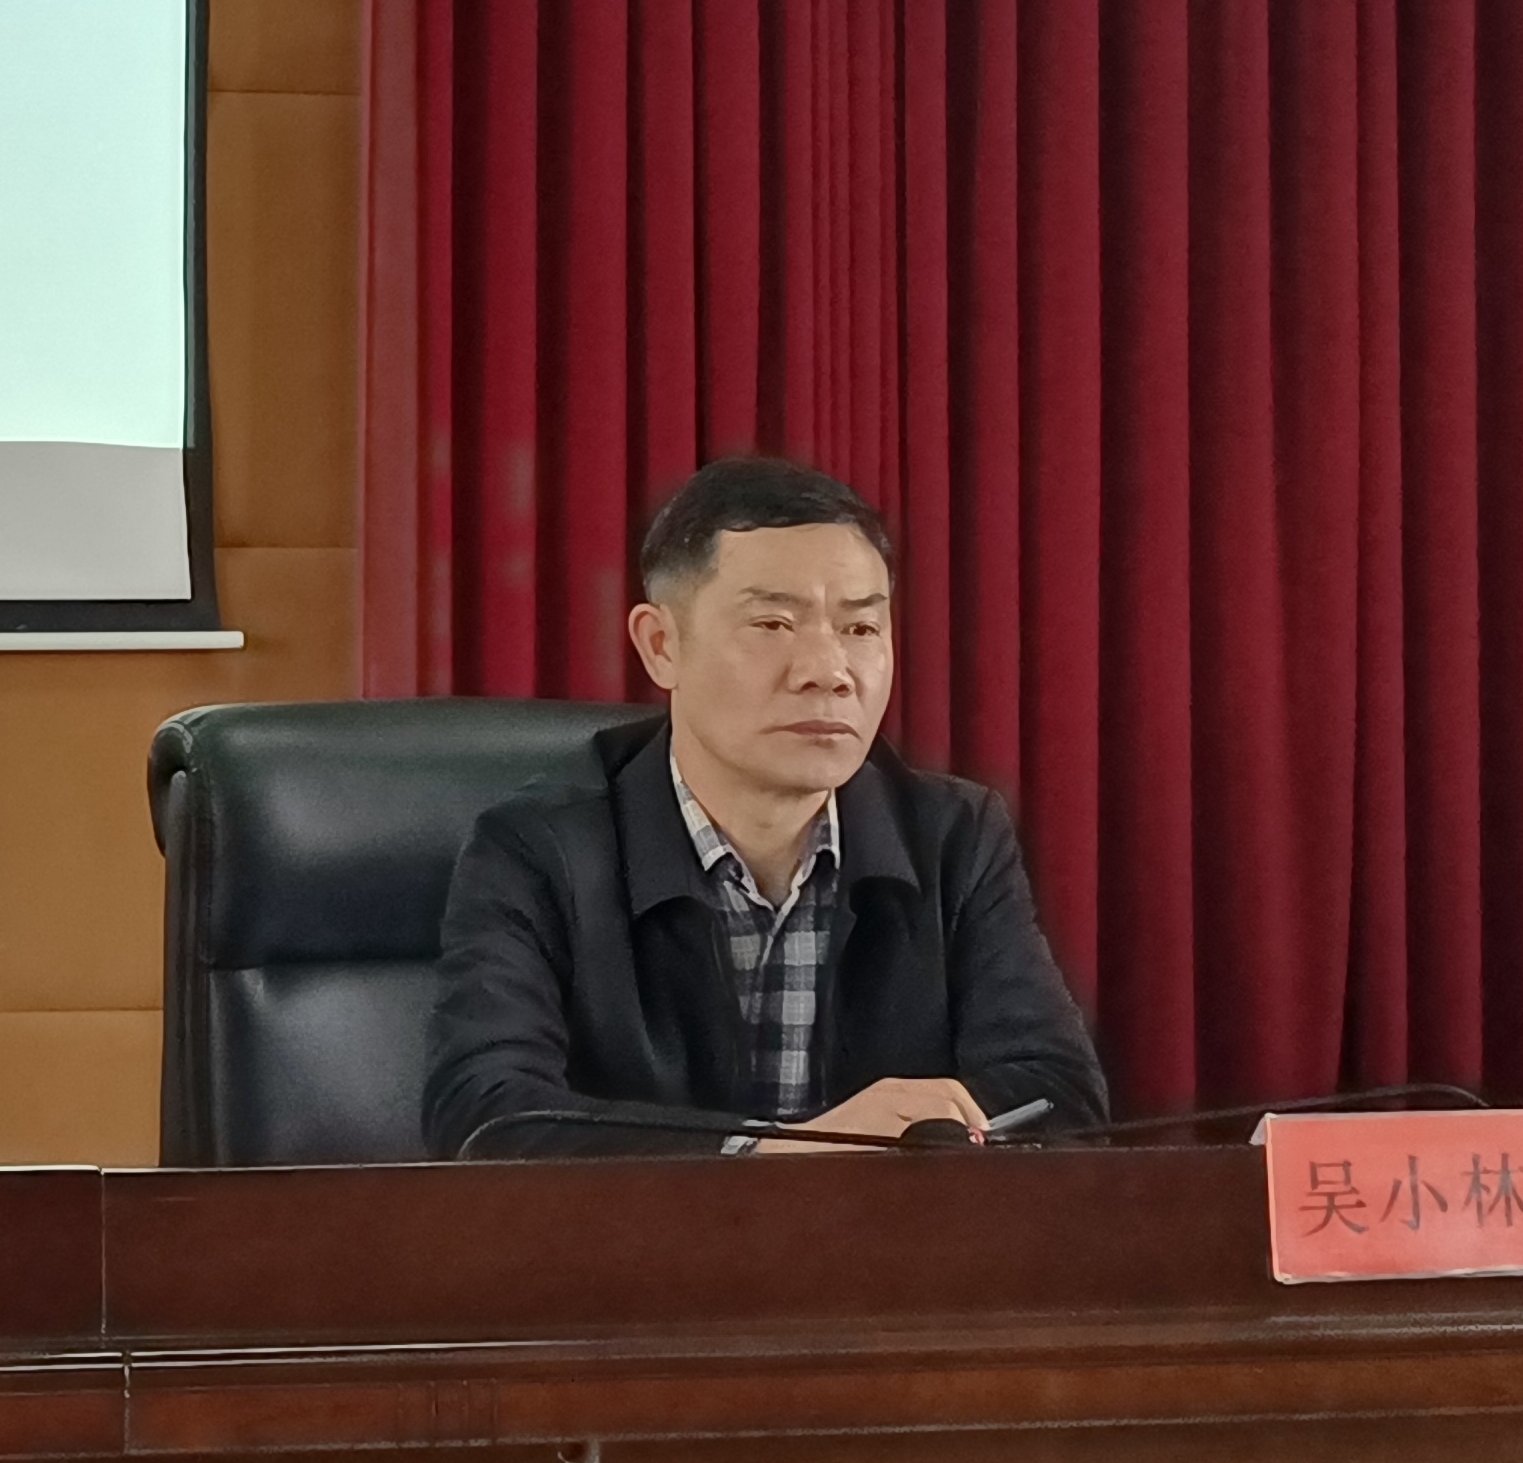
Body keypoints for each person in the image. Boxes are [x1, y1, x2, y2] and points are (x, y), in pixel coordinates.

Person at [420, 455, 1106, 1161]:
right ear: (661, 645)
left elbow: (1058, 1094)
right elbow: (485, 1114)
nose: (829, 672)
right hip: (642, 1237)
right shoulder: (537, 849)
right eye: (774, 624)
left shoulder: (953, 837)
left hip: (888, 1233)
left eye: (861, 630)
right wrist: (776, 1154)